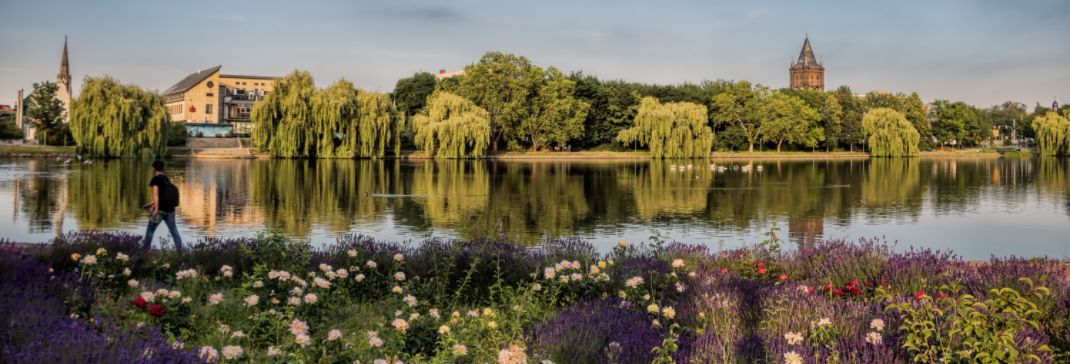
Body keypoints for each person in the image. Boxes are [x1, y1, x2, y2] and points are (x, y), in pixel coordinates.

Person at [141, 160, 183, 252]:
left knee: (150, 230)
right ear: (163, 168)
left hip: (160, 210)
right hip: (170, 210)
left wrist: (155, 209)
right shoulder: (166, 179)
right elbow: (162, 196)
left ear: (154, 168)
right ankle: (180, 252)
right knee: (174, 231)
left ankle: (144, 252)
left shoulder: (156, 179)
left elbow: (156, 195)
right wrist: (148, 205)